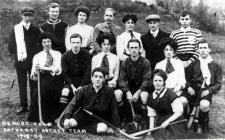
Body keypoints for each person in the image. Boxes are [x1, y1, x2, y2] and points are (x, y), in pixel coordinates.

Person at [180, 39, 222, 134]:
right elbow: (185, 79)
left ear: (209, 50)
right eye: (200, 48)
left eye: (205, 48)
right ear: (198, 50)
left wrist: (209, 91)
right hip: (193, 89)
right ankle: (185, 118)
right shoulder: (193, 64)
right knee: (181, 101)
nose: (202, 50)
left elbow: (218, 83)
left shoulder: (216, 66)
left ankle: (204, 121)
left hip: (206, 90)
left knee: (204, 104)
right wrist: (189, 87)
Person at [62, 67, 120, 134]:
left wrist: (114, 126)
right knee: (69, 124)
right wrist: (66, 119)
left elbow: (114, 109)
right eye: (95, 76)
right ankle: (82, 127)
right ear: (92, 78)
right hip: (83, 116)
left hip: (99, 118)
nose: (97, 79)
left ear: (104, 79)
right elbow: (72, 105)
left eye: (100, 77)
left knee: (102, 129)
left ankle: (81, 128)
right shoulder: (83, 89)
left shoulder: (109, 91)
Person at [8, 6, 41, 114]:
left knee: (33, 84)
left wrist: (34, 56)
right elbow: (11, 45)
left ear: (32, 17)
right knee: (22, 84)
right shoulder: (16, 28)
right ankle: (23, 106)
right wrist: (17, 55)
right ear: (22, 16)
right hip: (21, 61)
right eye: (25, 15)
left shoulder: (35, 29)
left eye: (29, 15)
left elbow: (39, 44)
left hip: (32, 61)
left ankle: (33, 106)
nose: (27, 18)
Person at [115, 39, 151, 127]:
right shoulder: (124, 63)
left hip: (142, 88)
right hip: (129, 88)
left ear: (139, 49)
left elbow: (147, 79)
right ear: (128, 49)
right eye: (131, 48)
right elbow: (121, 79)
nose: (134, 50)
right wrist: (127, 92)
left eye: (136, 47)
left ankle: (144, 120)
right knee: (117, 93)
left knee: (144, 96)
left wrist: (138, 92)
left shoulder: (146, 62)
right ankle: (124, 119)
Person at [29, 32, 62, 125]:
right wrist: (35, 72)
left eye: (48, 41)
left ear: (51, 42)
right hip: (41, 79)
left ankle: (50, 118)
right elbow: (33, 75)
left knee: (49, 90)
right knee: (41, 91)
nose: (47, 44)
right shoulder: (37, 56)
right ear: (41, 44)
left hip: (54, 79)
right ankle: (41, 118)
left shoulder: (57, 54)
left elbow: (57, 69)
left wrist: (43, 68)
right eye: (44, 42)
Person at [147, 69, 184, 139]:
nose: (157, 83)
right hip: (160, 122)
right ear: (152, 82)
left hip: (174, 121)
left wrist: (167, 122)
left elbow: (179, 112)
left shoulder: (170, 93)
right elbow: (152, 116)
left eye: (160, 80)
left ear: (164, 82)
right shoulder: (150, 97)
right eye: (155, 80)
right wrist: (150, 131)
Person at [60, 33, 92, 112]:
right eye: (73, 43)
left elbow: (88, 72)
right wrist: (72, 86)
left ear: (81, 43)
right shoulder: (65, 56)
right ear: (70, 43)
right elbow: (65, 74)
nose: (75, 45)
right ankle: (63, 115)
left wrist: (81, 86)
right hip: (70, 82)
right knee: (65, 91)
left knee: (87, 94)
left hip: (84, 82)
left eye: (77, 43)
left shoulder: (87, 54)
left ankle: (81, 115)